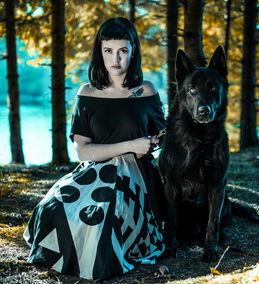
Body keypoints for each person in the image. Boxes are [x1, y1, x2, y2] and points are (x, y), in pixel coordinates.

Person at [23, 17, 166, 280]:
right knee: (52, 208)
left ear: (133, 51)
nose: (116, 60)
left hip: (135, 178)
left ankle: (98, 262)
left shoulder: (145, 91)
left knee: (103, 218)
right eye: (108, 51)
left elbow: (164, 136)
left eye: (123, 50)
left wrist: (155, 143)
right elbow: (82, 152)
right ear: (99, 53)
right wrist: (130, 145)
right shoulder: (87, 93)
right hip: (92, 172)